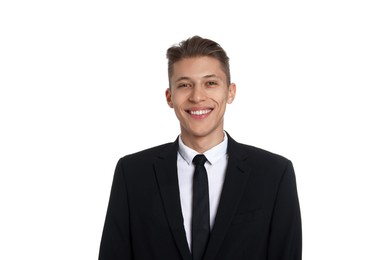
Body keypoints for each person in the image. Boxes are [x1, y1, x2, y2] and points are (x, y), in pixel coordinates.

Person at [98, 36, 302, 260]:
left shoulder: (274, 174)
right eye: (185, 85)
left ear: (230, 92)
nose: (197, 96)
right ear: (170, 97)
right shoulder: (133, 174)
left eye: (210, 83)